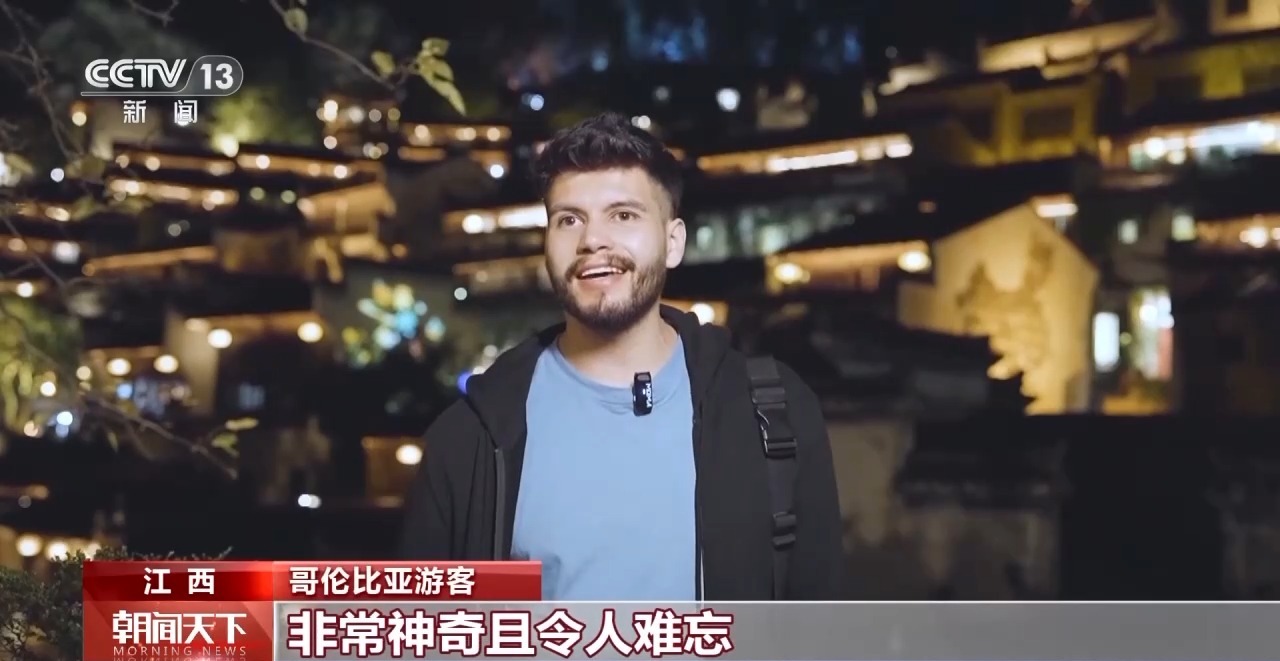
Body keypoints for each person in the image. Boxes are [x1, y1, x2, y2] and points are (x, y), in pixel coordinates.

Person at [399, 112, 843, 600]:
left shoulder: (772, 414)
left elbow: (818, 617)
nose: (592, 240)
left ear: (673, 243)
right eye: (569, 219)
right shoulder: (472, 439)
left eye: (623, 215)